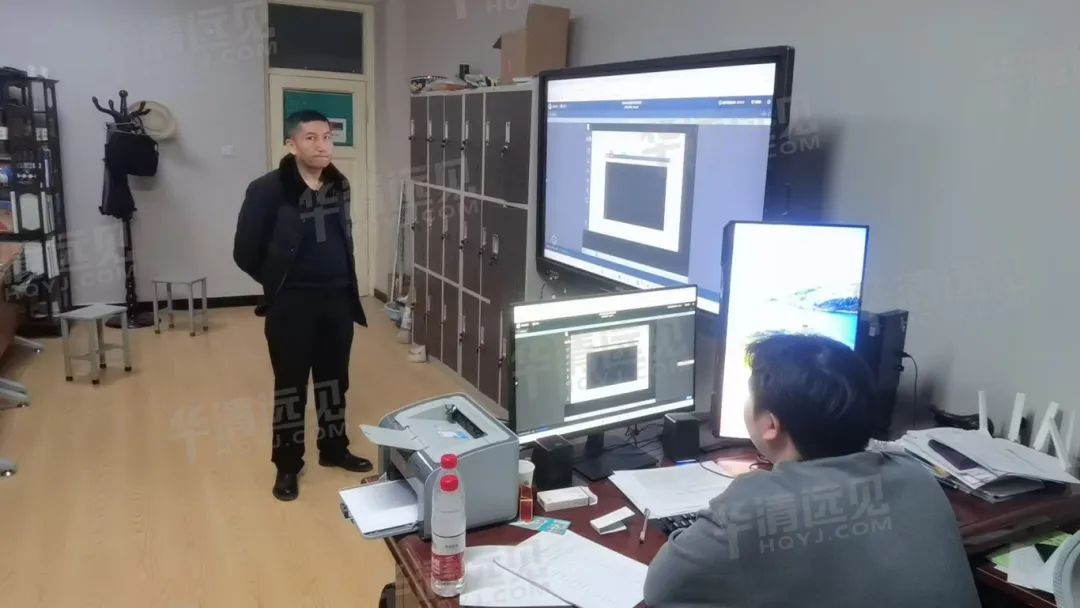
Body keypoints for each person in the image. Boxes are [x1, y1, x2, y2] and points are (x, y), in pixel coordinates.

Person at [644, 333, 980, 607]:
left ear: (771, 425)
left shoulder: (750, 506)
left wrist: (742, 500)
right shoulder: (915, 475)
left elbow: (660, 589)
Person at [233, 110, 372, 502]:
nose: (322, 145)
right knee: (291, 387)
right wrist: (278, 283)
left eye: (327, 136)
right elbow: (244, 251)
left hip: (337, 300)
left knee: (334, 381)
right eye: (310, 138)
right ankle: (288, 464)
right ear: (291, 145)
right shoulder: (268, 189)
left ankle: (333, 448)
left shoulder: (338, 184)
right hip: (292, 305)